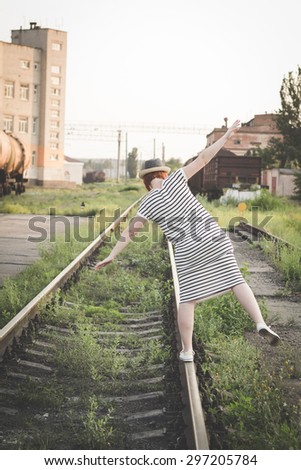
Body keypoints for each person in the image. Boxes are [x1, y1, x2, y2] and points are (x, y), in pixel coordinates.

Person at [95, 120, 280, 361]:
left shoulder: (148, 203)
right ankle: (259, 323)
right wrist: (224, 138)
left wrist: (112, 255)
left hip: (187, 251)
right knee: (236, 279)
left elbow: (130, 232)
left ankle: (187, 351)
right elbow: (203, 159)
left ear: (145, 181)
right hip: (213, 237)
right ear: (163, 174)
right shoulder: (176, 180)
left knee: (188, 299)